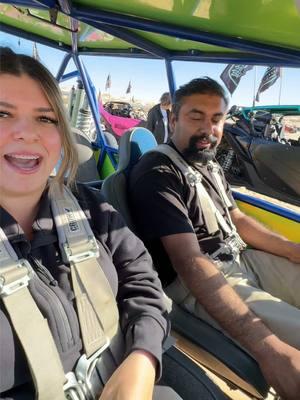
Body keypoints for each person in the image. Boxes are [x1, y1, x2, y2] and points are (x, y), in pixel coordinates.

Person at [0, 47, 183, 400]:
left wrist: (143, 357)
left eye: (46, 118)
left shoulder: (90, 207)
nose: (27, 133)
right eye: (2, 113)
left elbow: (142, 281)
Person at [129, 77, 300, 400]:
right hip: (202, 279)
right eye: (197, 116)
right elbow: (190, 263)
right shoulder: (158, 174)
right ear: (173, 118)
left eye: (217, 118)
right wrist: (270, 350)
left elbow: (237, 220)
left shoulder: (208, 161)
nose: (209, 128)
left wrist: (292, 250)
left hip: (240, 258)